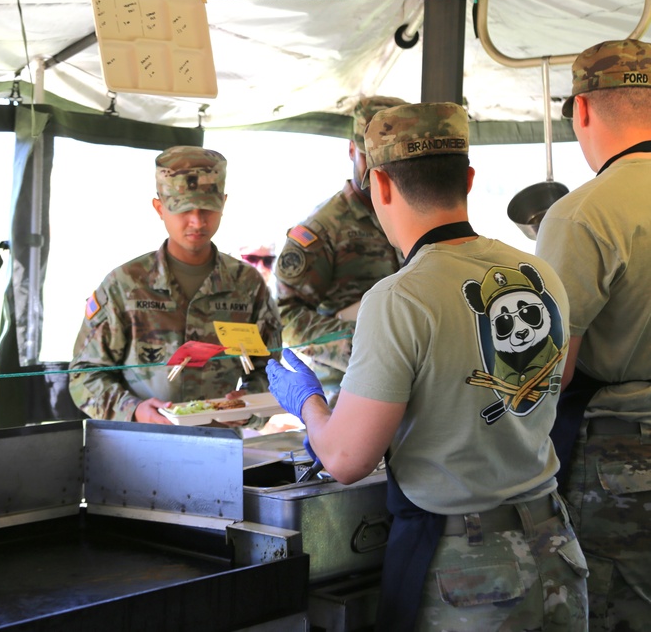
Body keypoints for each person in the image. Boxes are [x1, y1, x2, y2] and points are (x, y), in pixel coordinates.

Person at [267, 102, 588, 631]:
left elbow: (346, 458)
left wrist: (307, 401)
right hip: (555, 544)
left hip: (471, 572)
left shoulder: (400, 298)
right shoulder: (538, 273)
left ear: (380, 186)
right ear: (467, 178)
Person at [535, 38, 651, 631]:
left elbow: (550, 370)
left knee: (615, 612)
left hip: (622, 460)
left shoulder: (586, 212)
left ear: (581, 110)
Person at [69, 146, 281, 424]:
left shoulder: (247, 285)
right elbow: (84, 375)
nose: (197, 220)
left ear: (223, 204)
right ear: (159, 208)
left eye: (207, 207)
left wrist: (246, 409)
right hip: (139, 448)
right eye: (183, 208)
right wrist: (133, 409)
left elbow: (269, 370)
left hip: (218, 447)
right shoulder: (126, 285)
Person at [273, 96, 406, 405]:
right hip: (343, 395)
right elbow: (286, 319)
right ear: (350, 149)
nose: (376, 168)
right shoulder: (322, 230)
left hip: (407, 386)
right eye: (367, 155)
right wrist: (359, 347)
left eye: (387, 159)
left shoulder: (412, 213)